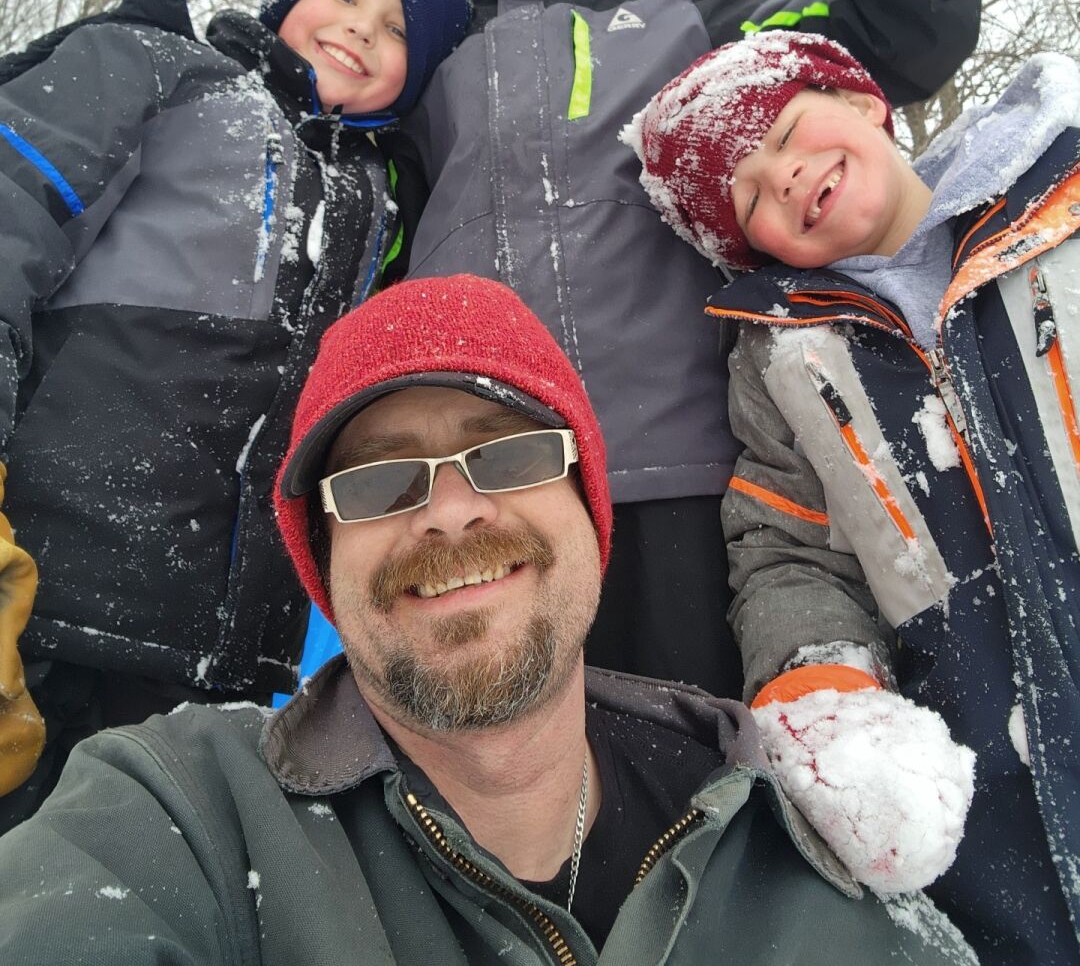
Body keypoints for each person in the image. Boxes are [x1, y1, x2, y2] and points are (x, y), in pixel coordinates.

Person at [393, 0, 1023, 695]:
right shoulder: (428, 50)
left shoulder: (687, 9)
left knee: (703, 755)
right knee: (511, 766)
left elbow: (884, 35)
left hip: (680, 467)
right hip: (477, 481)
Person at [0, 273, 979, 964]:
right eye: (379, 480)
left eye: (508, 455)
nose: (451, 511)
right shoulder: (181, 816)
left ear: (591, 512)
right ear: (322, 556)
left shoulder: (785, 827)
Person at [0, 0, 469, 827]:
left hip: (233, 672)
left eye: (398, 28)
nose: (361, 27)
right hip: (47, 603)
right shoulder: (159, 68)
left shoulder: (382, 201)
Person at [626, 31, 1080, 964]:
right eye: (750, 196)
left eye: (787, 132)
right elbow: (787, 548)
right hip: (990, 768)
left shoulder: (1062, 203)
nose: (784, 175)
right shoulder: (780, 353)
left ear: (866, 103)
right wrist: (824, 687)